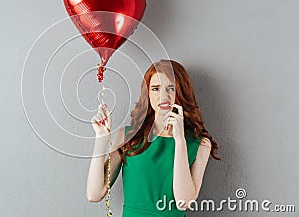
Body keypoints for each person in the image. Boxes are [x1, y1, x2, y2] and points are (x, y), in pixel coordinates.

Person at [86, 59, 221, 216]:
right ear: (147, 93)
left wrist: (180, 141)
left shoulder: (200, 144)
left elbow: (183, 202)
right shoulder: (127, 136)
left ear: (181, 92)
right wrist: (102, 138)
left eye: (171, 88)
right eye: (155, 88)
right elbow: (94, 194)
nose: (163, 96)